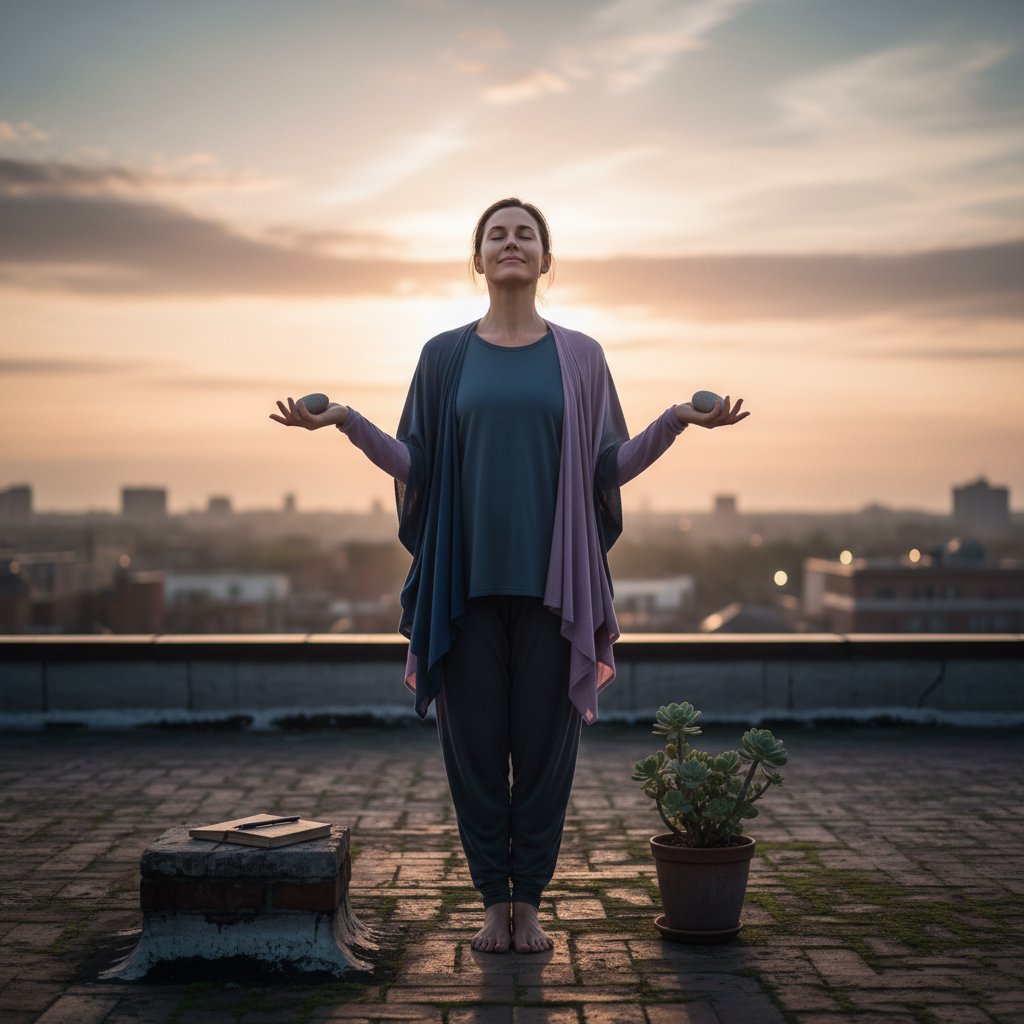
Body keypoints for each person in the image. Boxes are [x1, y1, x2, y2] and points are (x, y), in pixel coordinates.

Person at [270, 197, 749, 954]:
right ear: (479, 258)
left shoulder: (582, 356)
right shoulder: (443, 355)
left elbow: (607, 467)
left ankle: (532, 902)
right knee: (475, 757)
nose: (511, 243)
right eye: (496, 234)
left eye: (526, 234)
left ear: (546, 259)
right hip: (462, 588)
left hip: (556, 590)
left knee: (546, 756)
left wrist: (674, 422)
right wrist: (349, 422)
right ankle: (495, 902)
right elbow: (417, 464)